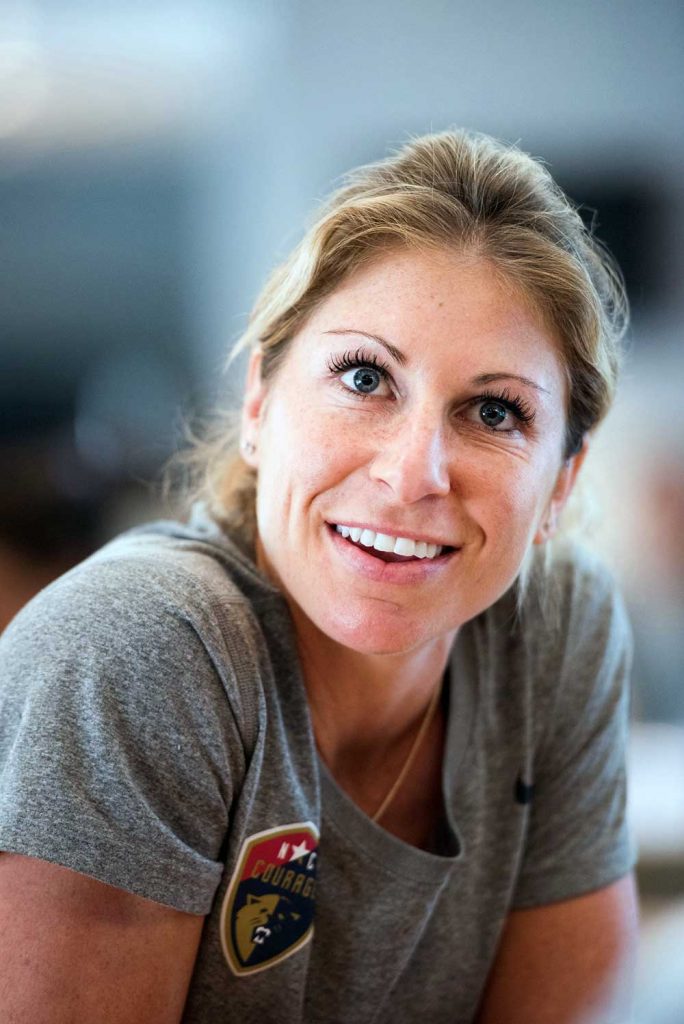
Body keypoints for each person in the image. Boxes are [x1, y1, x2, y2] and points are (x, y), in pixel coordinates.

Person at [0, 129, 638, 1023]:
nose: (414, 472)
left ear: (561, 483)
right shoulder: (139, 650)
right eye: (365, 377)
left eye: (495, 410)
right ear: (259, 405)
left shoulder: (557, 630)